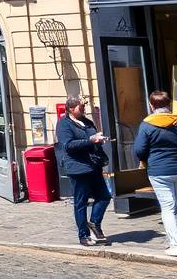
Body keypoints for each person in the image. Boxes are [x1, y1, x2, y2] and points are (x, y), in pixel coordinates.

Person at [134, 90, 177, 257]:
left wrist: (145, 160)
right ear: (168, 104)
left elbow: (139, 150)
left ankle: (174, 245)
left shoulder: (146, 124)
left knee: (168, 208)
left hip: (158, 171)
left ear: (151, 105)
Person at [55, 96, 110, 246]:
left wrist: (98, 140)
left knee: (105, 196)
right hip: (78, 168)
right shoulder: (64, 124)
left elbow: (92, 137)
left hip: (93, 165)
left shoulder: (87, 122)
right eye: (81, 107)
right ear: (71, 109)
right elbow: (68, 145)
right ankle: (83, 235)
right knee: (81, 202)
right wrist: (90, 141)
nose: (84, 109)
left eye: (84, 107)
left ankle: (94, 223)